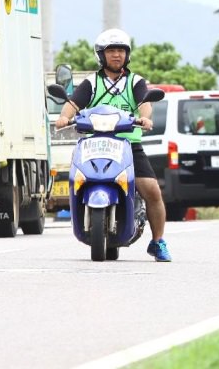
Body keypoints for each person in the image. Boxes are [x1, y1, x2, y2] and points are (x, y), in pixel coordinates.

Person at [54, 28, 171, 262]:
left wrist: (145, 117)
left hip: (128, 144)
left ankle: (158, 242)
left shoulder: (135, 81)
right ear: (101, 55)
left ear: (127, 55)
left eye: (121, 51)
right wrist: (63, 117)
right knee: (77, 179)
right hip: (95, 143)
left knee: (152, 191)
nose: (116, 55)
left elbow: (144, 103)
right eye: (111, 51)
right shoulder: (91, 82)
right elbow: (74, 104)